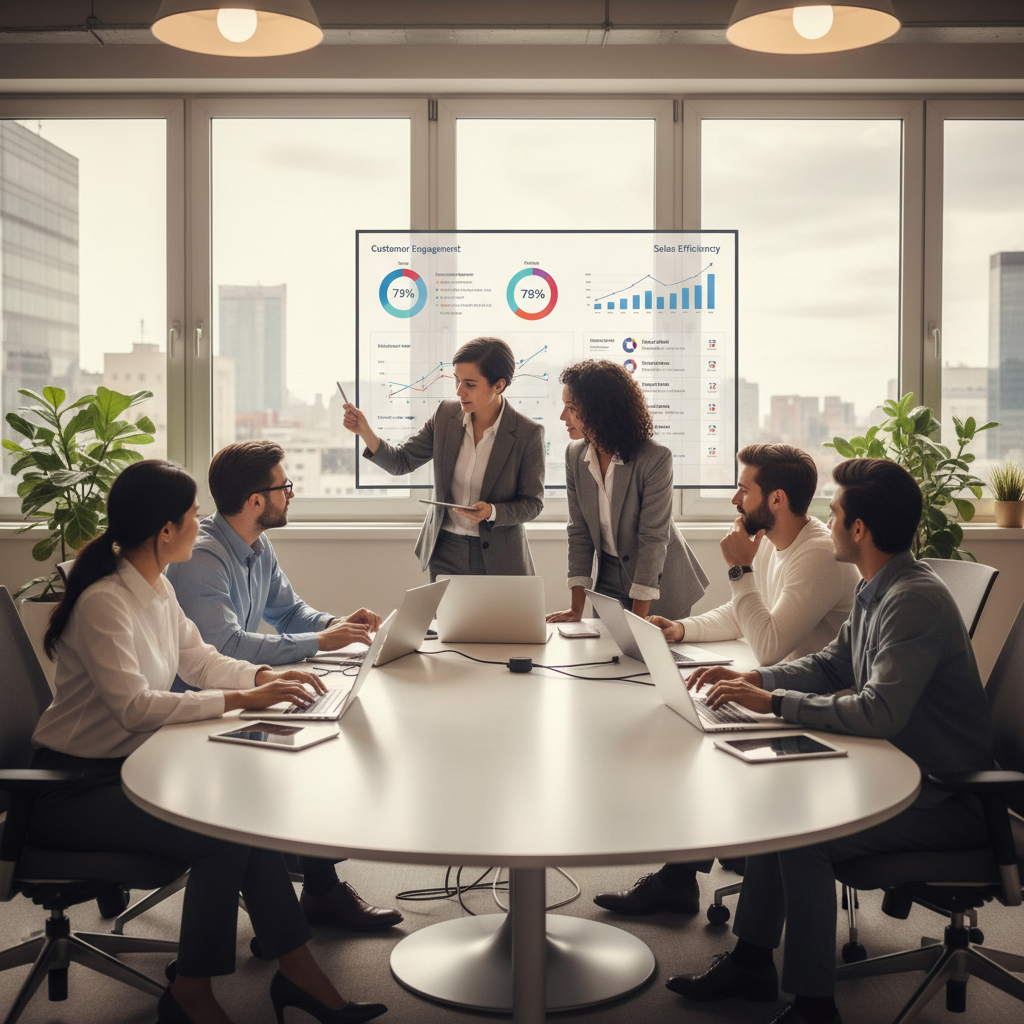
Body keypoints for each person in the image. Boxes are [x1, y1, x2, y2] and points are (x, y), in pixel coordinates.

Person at [30, 460, 387, 1024]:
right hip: (68, 789)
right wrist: (244, 698)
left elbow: (199, 660)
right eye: (194, 515)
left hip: (129, 766)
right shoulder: (105, 601)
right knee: (221, 837)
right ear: (165, 530)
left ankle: (297, 970)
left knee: (244, 817)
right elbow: (134, 707)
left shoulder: (154, 587)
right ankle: (192, 992)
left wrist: (262, 678)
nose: (202, 525)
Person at [665, 458, 994, 1024]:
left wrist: (775, 702)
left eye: (836, 513)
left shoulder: (912, 600)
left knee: (804, 836)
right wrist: (757, 679)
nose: (828, 521)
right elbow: (830, 663)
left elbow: (879, 711)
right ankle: (751, 962)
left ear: (858, 529)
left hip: (946, 798)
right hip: (900, 772)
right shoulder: (877, 586)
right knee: (778, 804)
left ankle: (815, 1008)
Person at [593, 443, 860, 915]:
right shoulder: (777, 542)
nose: (736, 500)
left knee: (697, 742)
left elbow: (768, 642)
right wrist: (681, 629)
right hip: (781, 689)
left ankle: (681, 878)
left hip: (815, 709)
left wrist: (739, 569)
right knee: (685, 718)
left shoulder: (818, 555)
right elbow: (744, 613)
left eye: (743, 489)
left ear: (776, 499)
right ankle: (684, 875)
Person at [166, 440, 402, 933]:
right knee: (310, 749)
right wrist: (320, 641)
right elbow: (224, 646)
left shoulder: (255, 545)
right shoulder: (203, 556)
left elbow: (290, 612)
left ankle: (316, 888)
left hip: (240, 692)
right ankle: (316, 889)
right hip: (197, 707)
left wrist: (339, 625)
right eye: (285, 486)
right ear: (256, 501)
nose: (291, 494)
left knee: (325, 727)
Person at [342, 336, 545, 580]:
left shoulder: (527, 433)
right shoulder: (445, 416)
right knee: (446, 608)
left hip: (500, 558)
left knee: (499, 609)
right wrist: (365, 431)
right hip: (445, 551)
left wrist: (492, 511)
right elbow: (401, 462)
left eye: (470, 384)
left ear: (498, 385)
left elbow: (532, 504)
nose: (459, 391)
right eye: (456, 380)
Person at [545, 359, 708, 623]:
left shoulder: (654, 458)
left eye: (571, 408)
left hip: (659, 581)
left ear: (600, 409)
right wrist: (576, 609)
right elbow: (579, 531)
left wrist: (638, 621)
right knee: (605, 648)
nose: (563, 417)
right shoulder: (575, 455)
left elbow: (653, 539)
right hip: (607, 576)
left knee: (646, 648)